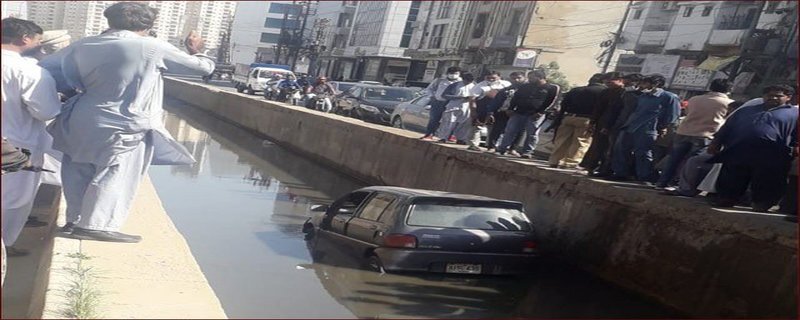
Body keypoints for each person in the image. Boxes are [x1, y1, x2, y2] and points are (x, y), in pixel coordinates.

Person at [40, 2, 215, 243]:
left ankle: (74, 220)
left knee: (77, 167)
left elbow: (48, 70)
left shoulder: (83, 45)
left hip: (82, 114)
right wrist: (196, 49)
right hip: (125, 119)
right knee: (115, 170)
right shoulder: (152, 47)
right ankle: (96, 225)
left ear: (109, 21)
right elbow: (201, 68)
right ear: (148, 24)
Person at [1, 18, 62, 256]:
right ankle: (5, 247)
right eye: (38, 40)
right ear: (25, 39)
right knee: (12, 201)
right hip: (14, 147)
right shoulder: (30, 71)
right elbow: (46, 111)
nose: (40, 45)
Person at [708, 85, 797, 212]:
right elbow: (727, 127)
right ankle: (727, 198)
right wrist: (716, 142)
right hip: (740, 150)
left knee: (766, 180)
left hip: (773, 154)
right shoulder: (746, 110)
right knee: (732, 176)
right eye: (769, 95)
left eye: (778, 95)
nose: (773, 98)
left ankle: (762, 203)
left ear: (788, 97)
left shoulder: (794, 114)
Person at [654, 79, 733, 188]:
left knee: (674, 159)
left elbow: (687, 112)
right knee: (691, 162)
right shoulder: (728, 103)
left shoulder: (695, 99)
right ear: (729, 90)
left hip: (684, 131)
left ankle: (662, 182)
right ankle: (679, 185)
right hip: (705, 135)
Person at [609, 74, 680, 182]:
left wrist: (664, 128)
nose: (642, 85)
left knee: (643, 153)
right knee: (621, 149)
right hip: (631, 126)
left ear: (656, 84)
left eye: (645, 83)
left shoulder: (669, 97)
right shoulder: (642, 97)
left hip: (648, 128)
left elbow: (673, 116)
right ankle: (620, 173)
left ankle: (644, 176)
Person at [495, 70, 559, 158]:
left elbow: (552, 101)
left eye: (531, 78)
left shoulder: (552, 88)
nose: (529, 79)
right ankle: (502, 149)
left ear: (539, 77)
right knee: (510, 130)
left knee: (532, 133)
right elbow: (516, 97)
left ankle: (527, 152)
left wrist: (541, 112)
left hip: (535, 114)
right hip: (519, 111)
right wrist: (510, 108)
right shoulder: (525, 86)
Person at [547, 73, 606, 168]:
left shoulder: (576, 90)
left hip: (569, 117)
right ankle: (570, 163)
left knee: (562, 140)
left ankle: (554, 161)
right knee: (580, 142)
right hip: (586, 119)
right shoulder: (603, 92)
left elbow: (563, 105)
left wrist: (559, 119)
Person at [580, 72, 626, 174]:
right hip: (602, 123)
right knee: (597, 146)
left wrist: (609, 125)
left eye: (611, 81)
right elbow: (598, 109)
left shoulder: (625, 93)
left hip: (616, 124)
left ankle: (604, 169)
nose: (608, 83)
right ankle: (591, 167)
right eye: (607, 81)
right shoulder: (605, 92)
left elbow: (617, 111)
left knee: (609, 148)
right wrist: (592, 122)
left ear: (621, 80)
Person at [466, 71, 511, 149]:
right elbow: (472, 99)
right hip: (482, 107)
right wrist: (473, 111)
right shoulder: (479, 86)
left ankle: (491, 145)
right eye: (488, 77)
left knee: (495, 127)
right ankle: (473, 145)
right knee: (478, 126)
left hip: (498, 108)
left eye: (493, 78)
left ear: (499, 77)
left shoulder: (506, 84)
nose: (491, 79)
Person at [485, 72, 527, 152]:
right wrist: (490, 112)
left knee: (518, 132)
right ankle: (492, 147)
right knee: (497, 129)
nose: (516, 80)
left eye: (519, 78)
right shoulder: (505, 90)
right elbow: (496, 101)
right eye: (514, 78)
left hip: (519, 113)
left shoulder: (528, 91)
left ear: (524, 78)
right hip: (503, 112)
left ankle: (512, 149)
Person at [434, 73, 475, 147]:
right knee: (448, 122)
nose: (468, 82)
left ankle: (460, 139)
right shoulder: (455, 85)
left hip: (467, 107)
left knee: (464, 124)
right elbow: (444, 95)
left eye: (470, 81)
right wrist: (459, 97)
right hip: (453, 106)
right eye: (467, 80)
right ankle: (443, 138)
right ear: (463, 79)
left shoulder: (474, 86)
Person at [421, 67, 462, 140]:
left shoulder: (461, 82)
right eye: (452, 73)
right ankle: (429, 134)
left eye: (456, 73)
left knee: (450, 121)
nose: (453, 75)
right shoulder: (439, 80)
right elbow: (429, 89)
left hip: (452, 103)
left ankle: (449, 136)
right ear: (448, 74)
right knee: (434, 119)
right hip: (438, 102)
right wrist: (432, 97)